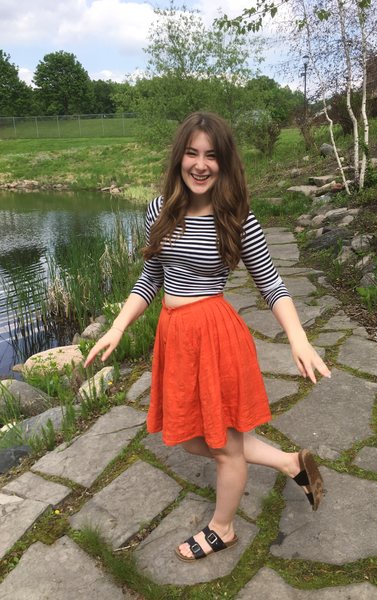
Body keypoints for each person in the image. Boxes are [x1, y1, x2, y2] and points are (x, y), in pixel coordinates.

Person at [84, 111, 331, 563]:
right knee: (189, 434)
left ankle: (223, 527)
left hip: (214, 337)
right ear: (180, 158)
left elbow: (271, 282)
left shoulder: (235, 218)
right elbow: (152, 276)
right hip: (175, 337)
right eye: (192, 153)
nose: (200, 164)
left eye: (211, 156)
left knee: (222, 446)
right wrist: (119, 326)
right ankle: (289, 463)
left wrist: (298, 338)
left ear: (224, 163)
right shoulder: (160, 210)